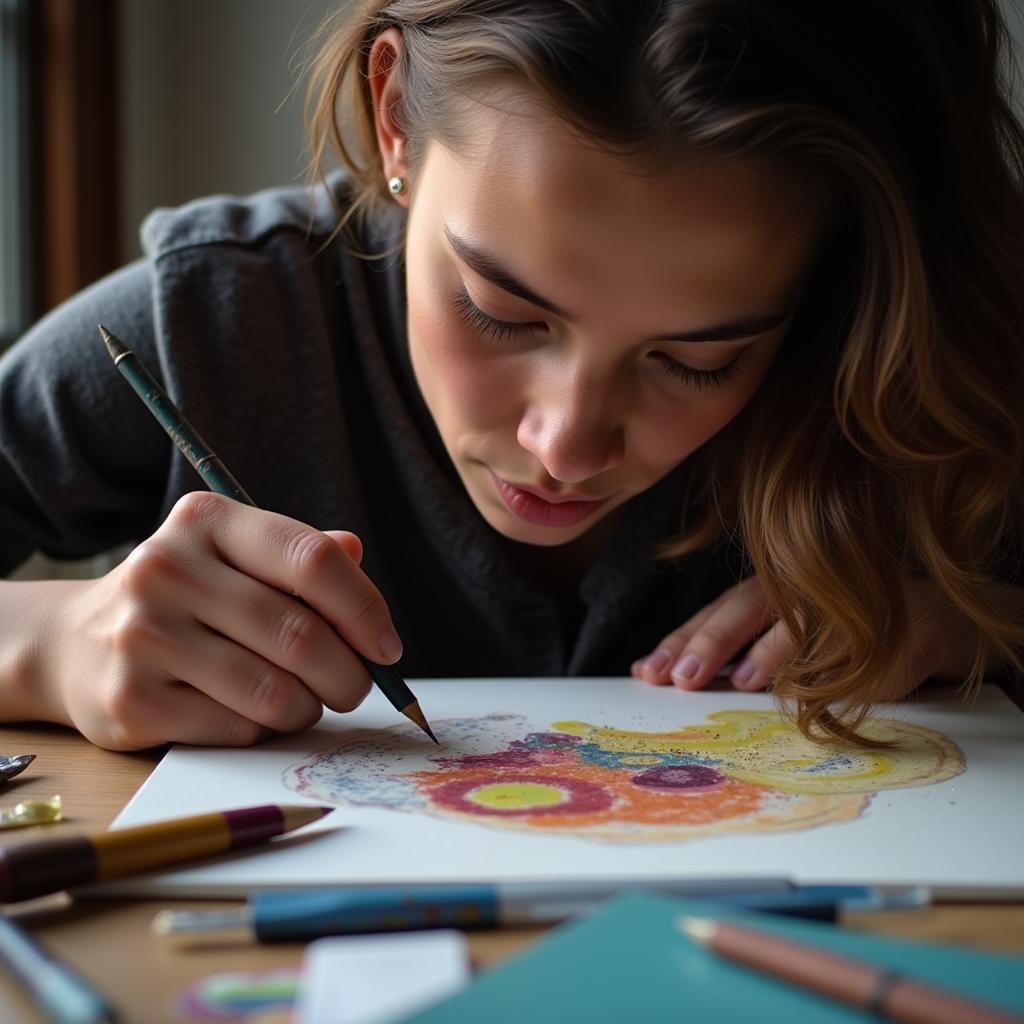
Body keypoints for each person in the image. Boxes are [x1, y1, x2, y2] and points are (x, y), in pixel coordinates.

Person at [0, 0, 1021, 751]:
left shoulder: (921, 368)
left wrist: (972, 621)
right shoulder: (220, 318)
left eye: (699, 361)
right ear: (395, 115)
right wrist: (52, 643)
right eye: (502, 311)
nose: (566, 444)